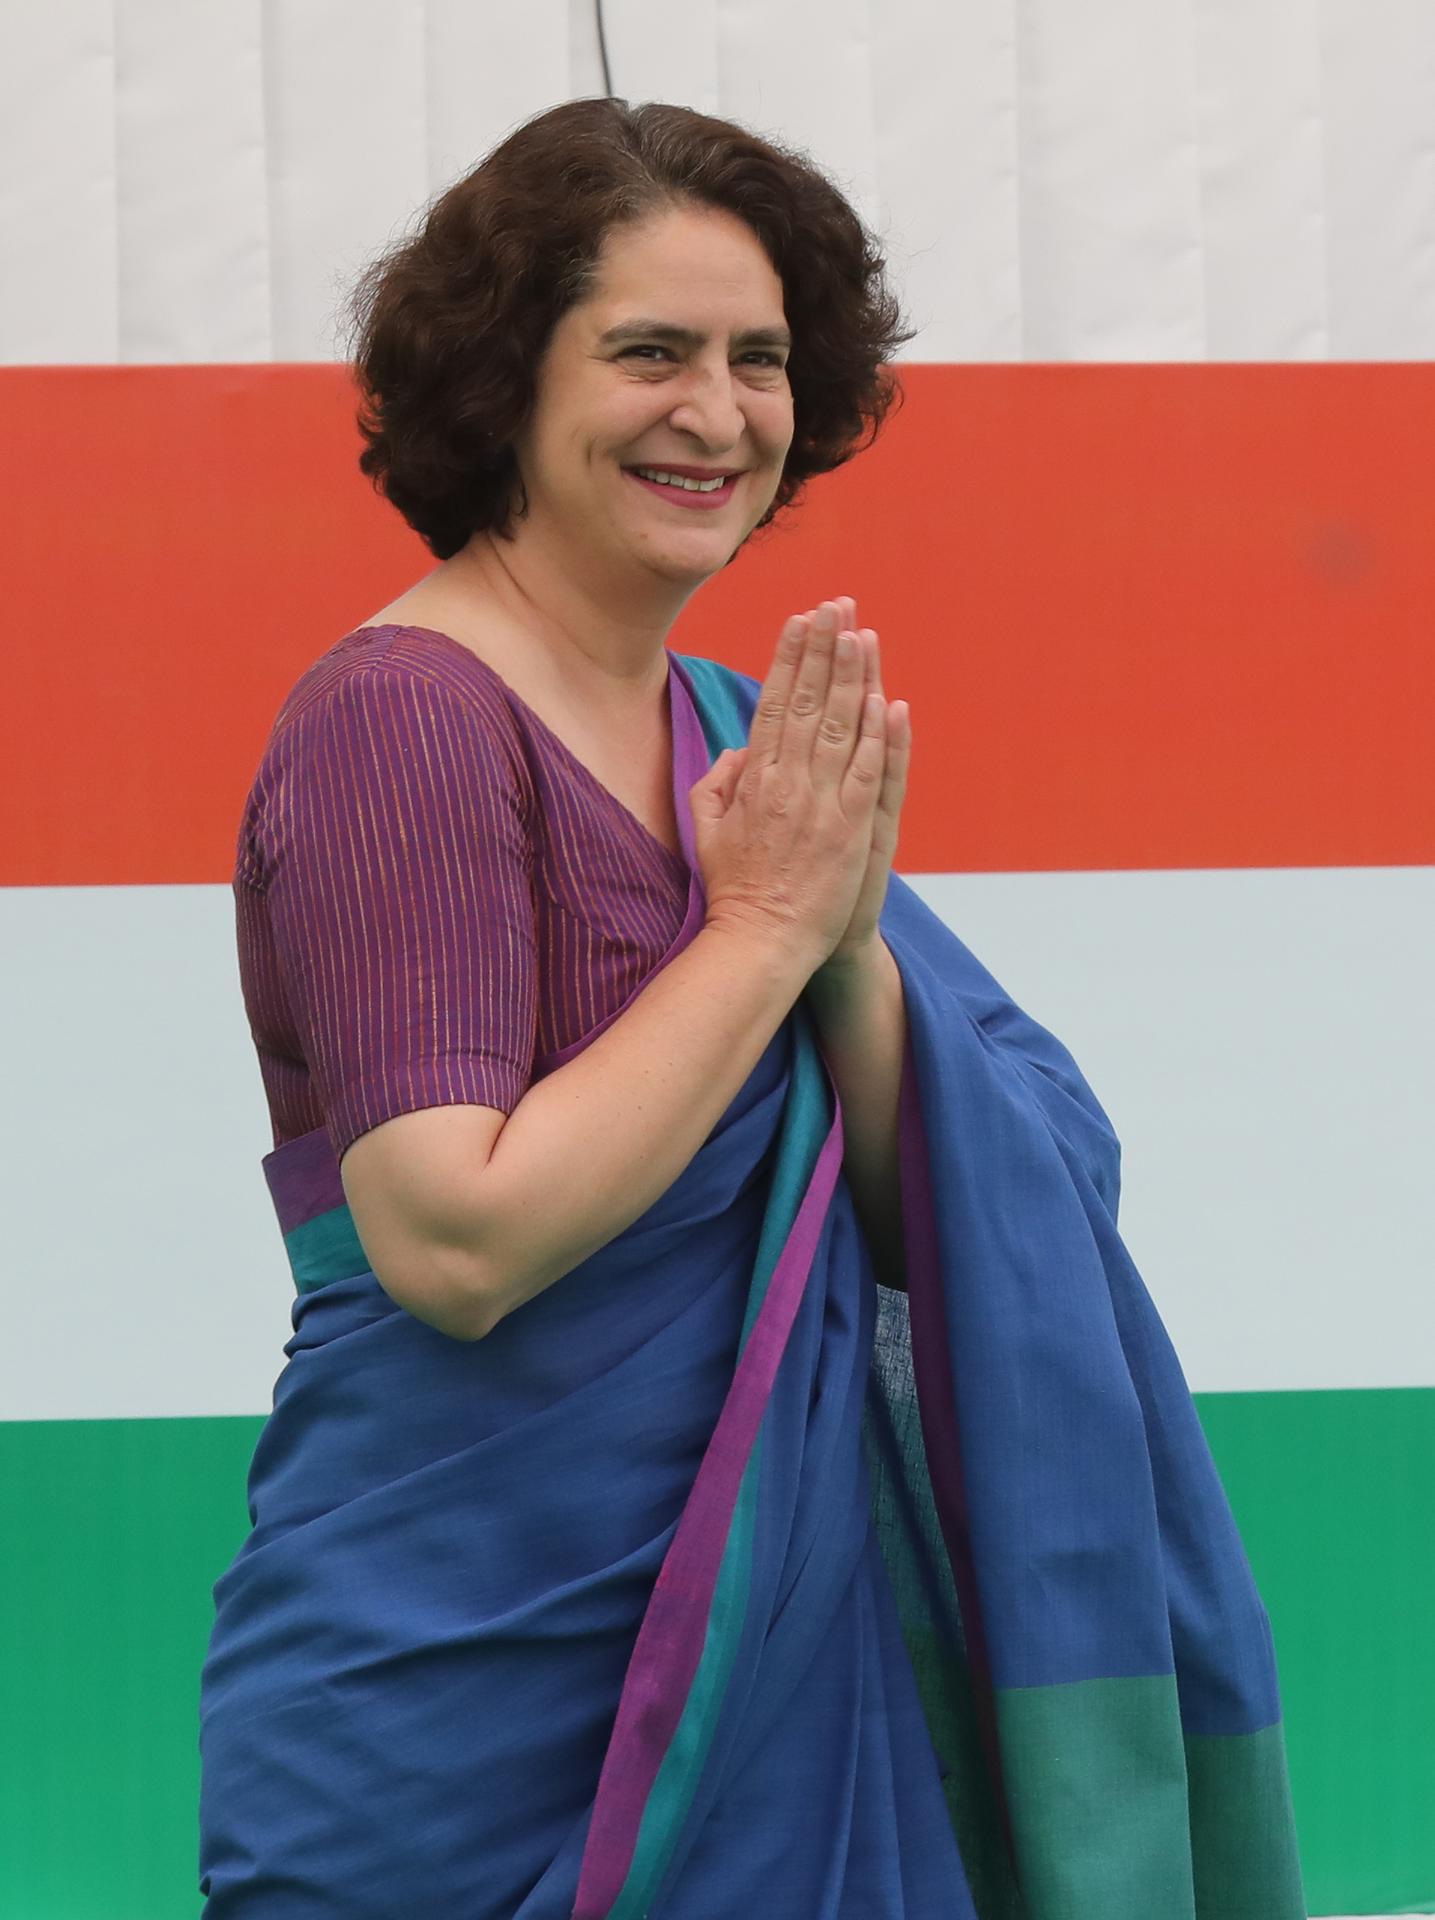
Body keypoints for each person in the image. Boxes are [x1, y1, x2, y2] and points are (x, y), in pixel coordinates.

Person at [199, 98, 1305, 1917]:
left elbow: (969, 1195)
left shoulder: (732, 742)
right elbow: (453, 1237)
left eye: (761, 360)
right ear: (502, 378)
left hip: (796, 1628)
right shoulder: (400, 723)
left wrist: (837, 948)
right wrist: (766, 929)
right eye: (650, 351)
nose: (717, 414)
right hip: (456, 1683)